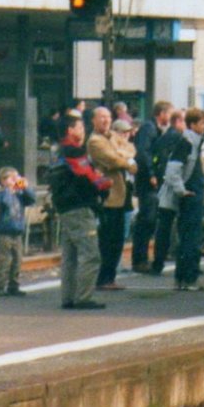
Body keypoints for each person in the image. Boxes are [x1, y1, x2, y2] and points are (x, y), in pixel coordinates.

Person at [48, 114, 110, 309]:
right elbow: (88, 177)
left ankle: (68, 297)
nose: (83, 131)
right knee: (90, 254)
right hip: (79, 207)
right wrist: (105, 183)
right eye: (80, 127)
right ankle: (83, 297)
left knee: (70, 255)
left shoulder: (56, 152)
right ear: (70, 130)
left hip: (63, 207)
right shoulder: (74, 152)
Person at [157, 108, 204, 291]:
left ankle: (183, 278)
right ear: (193, 125)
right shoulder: (188, 142)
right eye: (203, 123)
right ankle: (189, 277)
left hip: (190, 193)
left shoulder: (190, 142)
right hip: (191, 195)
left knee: (187, 236)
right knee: (191, 237)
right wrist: (182, 191)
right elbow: (173, 169)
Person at [89, 110, 137, 290]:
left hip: (121, 194)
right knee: (108, 239)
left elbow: (131, 149)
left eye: (108, 117)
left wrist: (122, 154)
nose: (106, 120)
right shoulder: (95, 141)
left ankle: (110, 277)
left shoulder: (113, 137)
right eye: (101, 117)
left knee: (118, 238)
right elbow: (112, 160)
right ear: (93, 120)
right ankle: (103, 278)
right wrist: (126, 159)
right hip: (107, 195)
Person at [132, 101, 173, 272]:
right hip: (147, 182)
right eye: (168, 114)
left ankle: (141, 257)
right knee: (147, 219)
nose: (169, 118)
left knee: (150, 219)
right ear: (161, 113)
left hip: (151, 180)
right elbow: (143, 153)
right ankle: (139, 259)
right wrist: (151, 174)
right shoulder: (149, 129)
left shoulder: (154, 129)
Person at [150, 110, 188, 276]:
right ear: (178, 121)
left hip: (164, 185)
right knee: (176, 225)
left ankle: (158, 261)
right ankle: (180, 261)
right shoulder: (178, 139)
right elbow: (175, 165)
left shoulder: (164, 137)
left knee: (164, 226)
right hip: (172, 185)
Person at [0, 167, 34, 297]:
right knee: (5, 260)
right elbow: (5, 202)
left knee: (17, 260)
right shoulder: (1, 193)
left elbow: (31, 199)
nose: (15, 181)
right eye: (12, 178)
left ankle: (13, 285)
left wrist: (25, 187)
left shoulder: (20, 194)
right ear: (3, 180)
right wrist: (9, 189)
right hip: (4, 231)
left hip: (17, 231)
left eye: (16, 178)